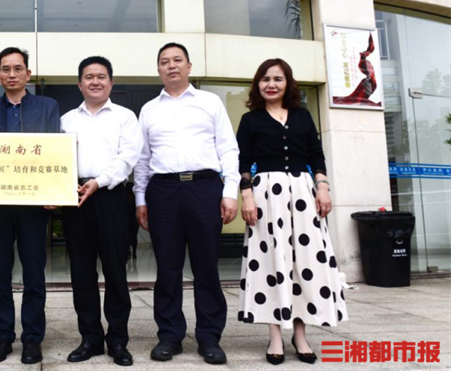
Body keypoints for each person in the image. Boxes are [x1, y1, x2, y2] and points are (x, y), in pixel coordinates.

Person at [236, 59, 348, 365]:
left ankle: (300, 334)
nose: (271, 84)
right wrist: (247, 195)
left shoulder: (303, 116)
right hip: (266, 196)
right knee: (272, 261)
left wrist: (322, 187)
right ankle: (274, 334)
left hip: (302, 193)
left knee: (305, 262)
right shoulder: (250, 120)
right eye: (265, 79)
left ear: (288, 83)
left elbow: (316, 155)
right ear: (258, 84)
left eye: (278, 79)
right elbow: (243, 161)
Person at [133, 42, 239, 365]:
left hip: (205, 187)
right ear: (158, 70)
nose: (171, 65)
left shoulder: (210, 102)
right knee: (167, 267)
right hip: (162, 190)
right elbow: (142, 159)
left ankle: (209, 337)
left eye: (177, 60)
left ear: (189, 66)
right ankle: (170, 336)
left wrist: (230, 191)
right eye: (164, 61)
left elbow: (228, 148)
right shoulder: (149, 109)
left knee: (206, 265)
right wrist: (140, 198)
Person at [0, 47, 60, 365]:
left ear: (28, 74)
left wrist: (54, 191)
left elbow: (55, 150)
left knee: (34, 273)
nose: (12, 74)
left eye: (18, 68)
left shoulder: (48, 107)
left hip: (34, 206)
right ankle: (3, 337)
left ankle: (32, 339)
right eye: (6, 69)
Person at [60, 56, 142, 367]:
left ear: (111, 82)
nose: (95, 81)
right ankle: (90, 338)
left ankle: (118, 340)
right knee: (81, 272)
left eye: (101, 76)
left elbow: (127, 158)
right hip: (75, 198)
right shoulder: (66, 120)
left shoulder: (125, 117)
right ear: (79, 84)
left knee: (115, 271)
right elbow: (55, 158)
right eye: (89, 76)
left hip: (111, 196)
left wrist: (99, 181)